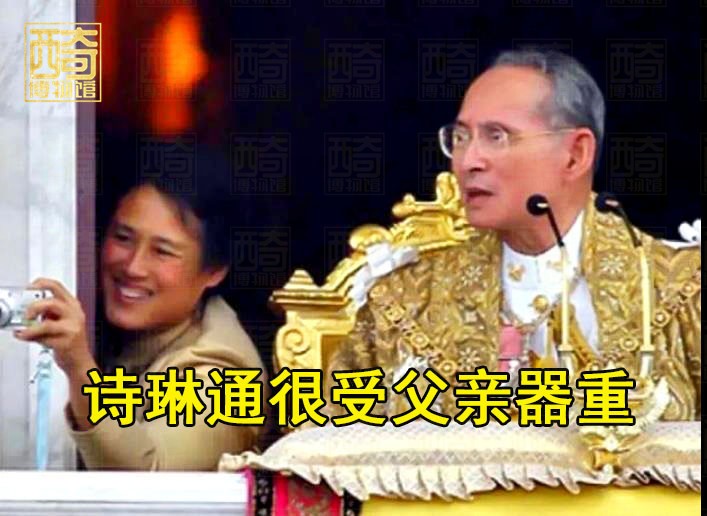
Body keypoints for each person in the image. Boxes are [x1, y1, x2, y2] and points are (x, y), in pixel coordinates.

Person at [327, 49, 701, 421]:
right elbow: (330, 439)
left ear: (575, 154)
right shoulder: (404, 302)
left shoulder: (680, 290)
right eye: (460, 137)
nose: (468, 161)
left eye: (497, 136)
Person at [14, 160, 266, 470]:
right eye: (123, 238)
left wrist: (79, 367)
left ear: (214, 271)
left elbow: (148, 477)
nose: (133, 267)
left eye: (163, 252)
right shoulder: (115, 330)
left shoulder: (224, 372)